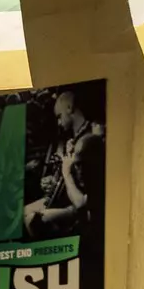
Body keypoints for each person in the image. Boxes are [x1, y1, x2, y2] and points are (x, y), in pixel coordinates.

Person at [23, 89, 103, 237]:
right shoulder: (72, 140)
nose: (59, 123)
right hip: (69, 198)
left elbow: (83, 192)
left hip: (80, 205)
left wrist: (65, 172)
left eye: (59, 117)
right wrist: (53, 183)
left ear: (69, 108)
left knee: (33, 221)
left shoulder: (88, 140)